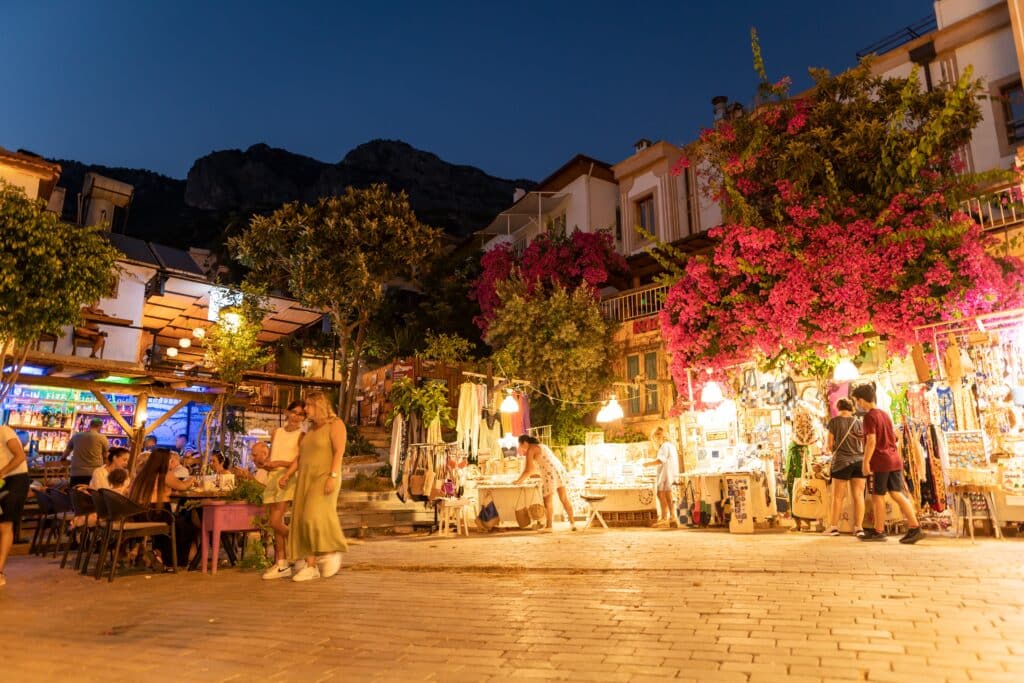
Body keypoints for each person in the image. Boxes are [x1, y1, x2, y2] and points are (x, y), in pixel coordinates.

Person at [280, 391, 346, 582]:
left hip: (324, 475)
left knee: (312, 516)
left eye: (308, 406)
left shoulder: (335, 424)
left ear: (318, 405)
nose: (305, 410)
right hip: (306, 478)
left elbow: (339, 451)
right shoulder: (311, 430)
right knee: (301, 519)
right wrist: (287, 474)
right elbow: (301, 457)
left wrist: (333, 475)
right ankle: (311, 565)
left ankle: (331, 550)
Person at [852, 384, 923, 544]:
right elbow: (892, 436)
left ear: (862, 401)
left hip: (881, 461)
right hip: (893, 459)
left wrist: (865, 462)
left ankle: (879, 531)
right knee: (896, 494)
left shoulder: (869, 416)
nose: (857, 404)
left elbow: (871, 441)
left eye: (857, 401)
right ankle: (915, 527)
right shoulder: (884, 414)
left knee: (878, 496)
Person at [128, 448, 196, 568]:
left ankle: (160, 555)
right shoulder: (164, 474)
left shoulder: (143, 473)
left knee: (178, 524)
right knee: (187, 527)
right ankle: (175, 560)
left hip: (139, 513)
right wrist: (192, 479)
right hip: (156, 513)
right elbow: (183, 486)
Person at [261, 401, 306, 580]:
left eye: (301, 414)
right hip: (273, 477)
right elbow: (273, 455)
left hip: (288, 477)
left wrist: (280, 466)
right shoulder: (276, 432)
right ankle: (281, 563)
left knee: (275, 521)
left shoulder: (302, 436)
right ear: (287, 412)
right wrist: (267, 463)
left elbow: (298, 461)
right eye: (293, 412)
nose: (296, 416)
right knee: (275, 524)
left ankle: (302, 547)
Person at [513, 435, 576, 532]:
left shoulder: (531, 449)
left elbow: (529, 469)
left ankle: (549, 526)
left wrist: (519, 480)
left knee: (547, 501)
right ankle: (573, 523)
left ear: (525, 442)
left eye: (521, 445)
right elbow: (543, 463)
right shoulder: (541, 446)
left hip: (549, 474)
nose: (521, 448)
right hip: (559, 471)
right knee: (564, 498)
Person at [823, 398, 865, 537]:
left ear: (838, 408)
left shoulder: (834, 422)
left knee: (837, 497)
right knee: (859, 496)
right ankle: (859, 528)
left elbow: (829, 445)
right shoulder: (859, 422)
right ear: (851, 408)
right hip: (859, 461)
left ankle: (834, 527)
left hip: (841, 462)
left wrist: (832, 448)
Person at [1, 424, 30, 588]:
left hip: (15, 480)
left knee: (5, 524)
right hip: (2, 480)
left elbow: (20, 456)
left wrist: (1, 472)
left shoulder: (4, 431)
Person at [643, 426, 680, 528]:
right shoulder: (671, 445)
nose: (655, 439)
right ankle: (672, 518)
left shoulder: (664, 446)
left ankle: (665, 518)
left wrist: (647, 464)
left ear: (660, 436)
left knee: (661, 494)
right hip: (670, 473)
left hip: (665, 474)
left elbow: (661, 460)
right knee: (668, 495)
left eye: (655, 436)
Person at [63, 418, 110, 487]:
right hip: (94, 472)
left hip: (76, 472)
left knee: (75, 493)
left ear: (90, 425)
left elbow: (68, 449)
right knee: (91, 494)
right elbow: (105, 455)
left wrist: (63, 458)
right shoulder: (102, 438)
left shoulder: (76, 436)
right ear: (100, 426)